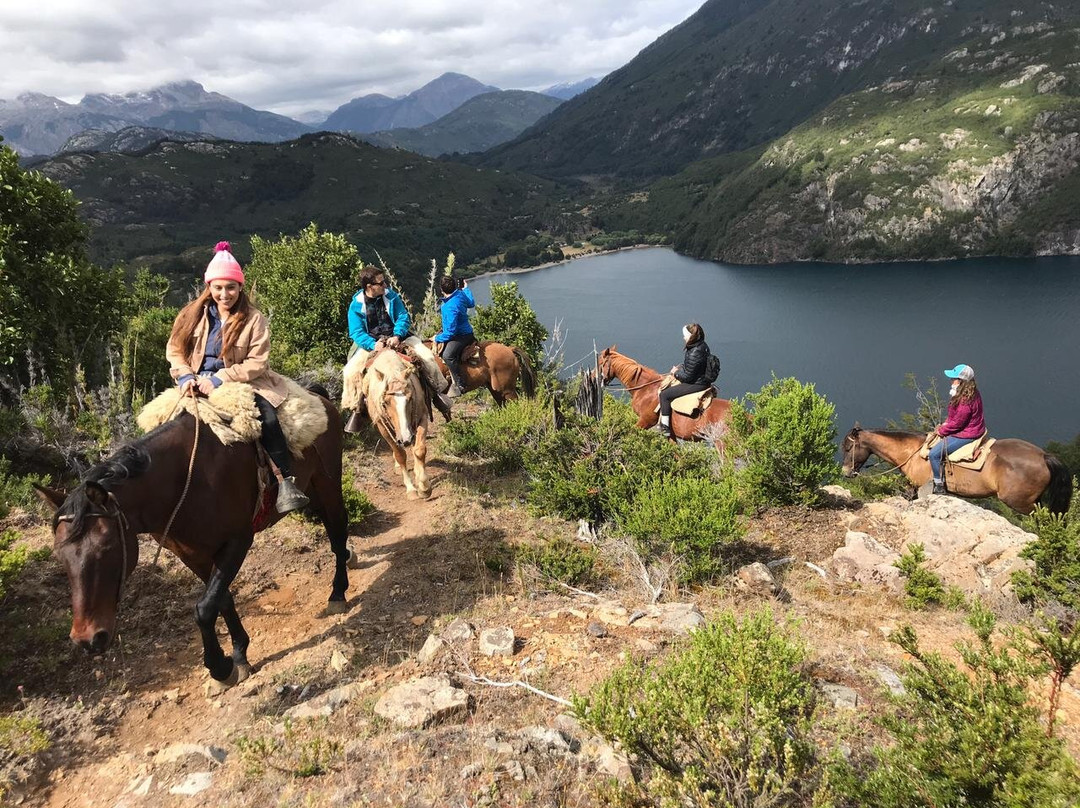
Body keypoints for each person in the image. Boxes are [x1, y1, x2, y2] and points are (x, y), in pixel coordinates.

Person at [166, 241, 309, 513]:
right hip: (195, 381)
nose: (224, 294)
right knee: (164, 425)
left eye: (230, 287)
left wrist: (220, 378)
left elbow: (257, 362)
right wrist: (185, 377)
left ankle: (285, 480)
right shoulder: (189, 315)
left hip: (242, 381)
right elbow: (175, 350)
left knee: (266, 418)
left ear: (240, 287)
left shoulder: (254, 319)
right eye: (218, 287)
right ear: (209, 287)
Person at [341, 265, 450, 431]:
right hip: (371, 343)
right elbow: (356, 332)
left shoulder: (391, 296)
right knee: (350, 371)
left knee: (427, 357)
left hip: (398, 338)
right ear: (370, 287)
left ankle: (437, 394)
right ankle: (357, 408)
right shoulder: (356, 306)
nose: (385, 285)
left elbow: (403, 317)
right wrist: (373, 344)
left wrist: (397, 335)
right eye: (381, 283)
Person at [929, 363, 986, 495]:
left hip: (966, 433)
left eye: (953, 378)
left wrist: (942, 430)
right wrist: (946, 423)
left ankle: (938, 485)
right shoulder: (970, 392)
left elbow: (958, 423)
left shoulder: (964, 400)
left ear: (960, 381)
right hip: (973, 428)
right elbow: (954, 417)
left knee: (934, 454)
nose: (951, 380)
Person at [657, 323, 714, 438]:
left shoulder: (694, 351)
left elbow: (688, 377)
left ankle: (665, 427)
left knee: (664, 395)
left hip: (697, 384)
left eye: (685, 335)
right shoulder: (701, 345)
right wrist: (681, 368)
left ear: (691, 336)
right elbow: (692, 367)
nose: (683, 338)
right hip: (701, 380)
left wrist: (675, 373)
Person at [433, 276, 476, 397]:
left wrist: (436, 338)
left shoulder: (448, 307)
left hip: (461, 336)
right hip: (466, 332)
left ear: (442, 290)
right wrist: (466, 289)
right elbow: (471, 303)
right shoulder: (460, 295)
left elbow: (450, 332)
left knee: (448, 355)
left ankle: (459, 383)